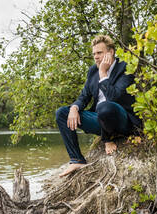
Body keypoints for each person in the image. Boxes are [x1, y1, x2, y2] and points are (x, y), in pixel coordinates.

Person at [56, 35, 141, 177]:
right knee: (62, 113)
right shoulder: (92, 71)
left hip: (122, 121)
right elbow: (84, 97)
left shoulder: (125, 68)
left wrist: (103, 73)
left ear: (111, 52)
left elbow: (113, 97)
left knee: (104, 106)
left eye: (99, 53)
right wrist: (74, 108)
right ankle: (77, 159)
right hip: (101, 120)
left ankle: (108, 138)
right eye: (94, 54)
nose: (96, 57)